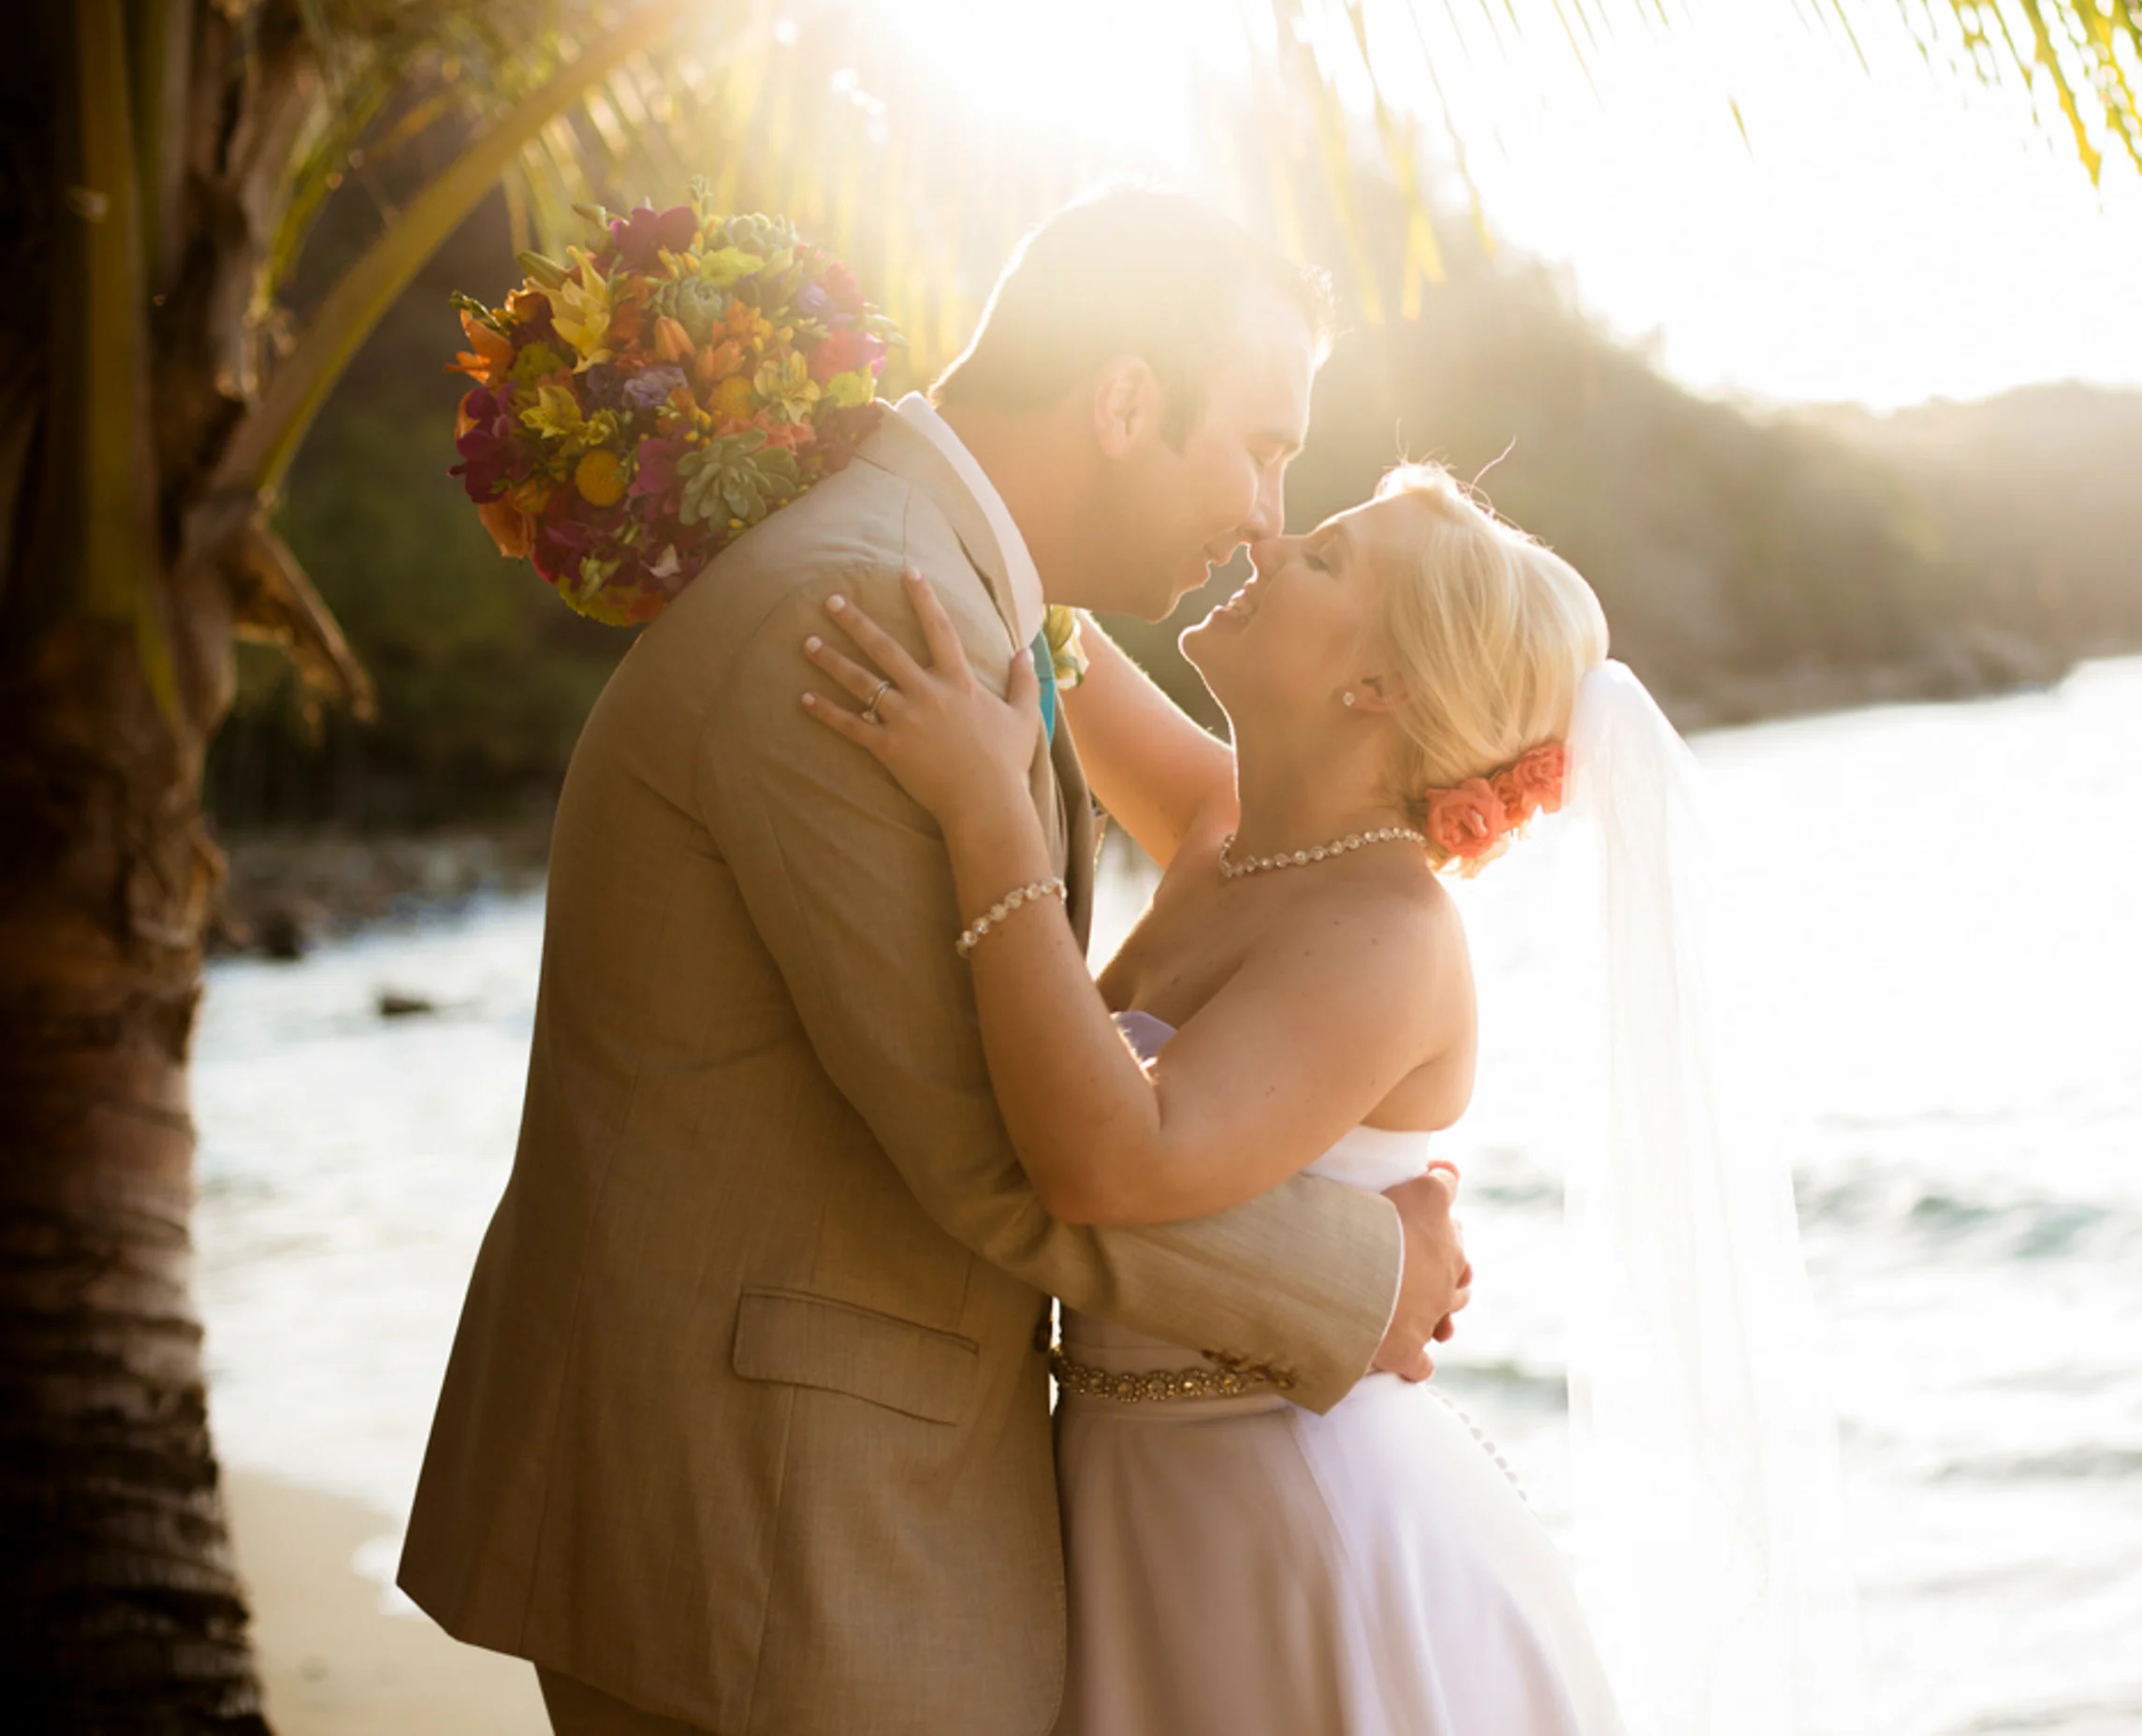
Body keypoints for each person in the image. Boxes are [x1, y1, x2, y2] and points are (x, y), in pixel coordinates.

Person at [399, 190, 1472, 1736]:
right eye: (1260, 447)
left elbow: (1228, 832)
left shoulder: (958, 596)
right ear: (1124, 402)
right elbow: (996, 1147)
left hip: (794, 1488)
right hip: (770, 1523)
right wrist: (1366, 1273)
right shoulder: (866, 610)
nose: (1266, 514)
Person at [798, 463, 1628, 1732]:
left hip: (1297, 1530)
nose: (1269, 542)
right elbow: (1040, 627)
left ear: (1381, 685)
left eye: (1324, 558)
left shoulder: (1389, 930)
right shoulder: (1224, 825)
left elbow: (1115, 1163)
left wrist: (987, 808)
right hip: (1128, 1493)